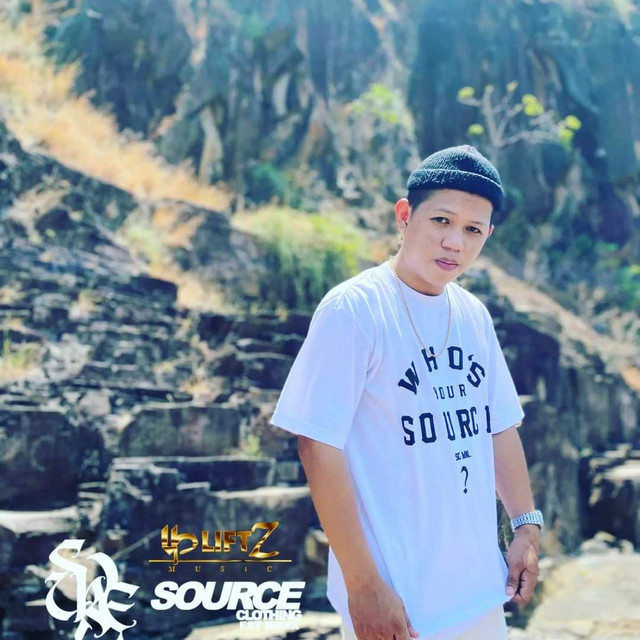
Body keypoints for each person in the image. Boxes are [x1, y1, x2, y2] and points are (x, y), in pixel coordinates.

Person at [270, 145, 542, 640]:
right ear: (404, 216)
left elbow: (499, 427)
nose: (454, 242)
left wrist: (526, 525)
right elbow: (317, 444)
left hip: (480, 592)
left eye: (472, 230)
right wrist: (363, 585)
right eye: (441, 220)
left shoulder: (473, 316)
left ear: (487, 236)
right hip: (400, 604)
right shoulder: (355, 309)